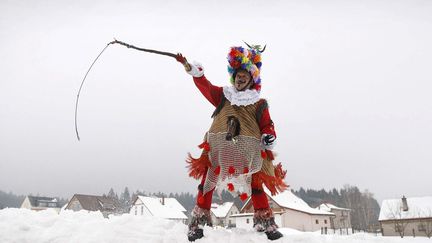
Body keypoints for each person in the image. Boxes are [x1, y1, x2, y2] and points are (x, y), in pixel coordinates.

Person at [176, 45, 287, 241]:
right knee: (207, 183)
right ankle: (198, 224)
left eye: (245, 75)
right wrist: (195, 73)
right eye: (238, 75)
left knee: (257, 184)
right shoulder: (223, 96)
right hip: (221, 148)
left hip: (248, 151)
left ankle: (265, 223)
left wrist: (269, 135)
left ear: (251, 79)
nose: (240, 78)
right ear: (233, 77)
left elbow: (267, 125)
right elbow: (206, 88)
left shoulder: (259, 103)